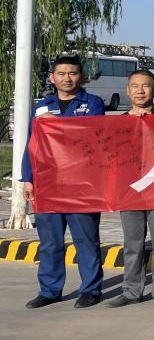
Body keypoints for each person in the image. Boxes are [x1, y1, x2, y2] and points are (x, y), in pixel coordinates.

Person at [22, 55, 108, 309]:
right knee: (50, 242)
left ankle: (91, 290)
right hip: (47, 183)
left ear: (81, 76)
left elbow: (90, 135)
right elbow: (32, 145)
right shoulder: (41, 107)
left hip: (82, 184)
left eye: (72, 73)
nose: (67, 78)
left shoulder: (92, 103)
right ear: (52, 77)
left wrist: (57, 124)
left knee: (86, 240)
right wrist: (28, 178)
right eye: (61, 74)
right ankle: (49, 290)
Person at [106, 69, 154, 308]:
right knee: (133, 242)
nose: (140, 91)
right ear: (128, 91)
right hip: (130, 190)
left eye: (146, 86)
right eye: (135, 86)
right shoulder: (117, 122)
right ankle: (131, 290)